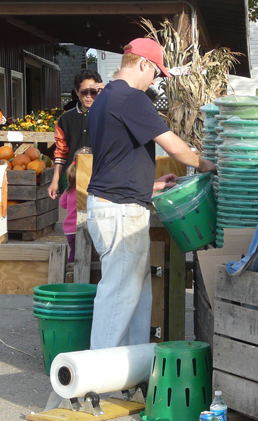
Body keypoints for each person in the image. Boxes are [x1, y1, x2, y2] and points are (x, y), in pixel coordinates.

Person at [86, 37, 216, 350]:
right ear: (143, 64)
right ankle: (95, 382)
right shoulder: (131, 98)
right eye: (156, 73)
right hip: (120, 212)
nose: (155, 81)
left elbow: (113, 159)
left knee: (135, 294)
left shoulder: (103, 99)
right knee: (119, 296)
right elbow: (175, 147)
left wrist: (150, 185)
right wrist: (210, 164)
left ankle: (128, 375)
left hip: (109, 204)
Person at [48, 69, 105, 200]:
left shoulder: (107, 115)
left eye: (94, 92)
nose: (89, 96)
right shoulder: (65, 120)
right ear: (77, 92)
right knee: (73, 218)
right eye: (85, 92)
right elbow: (61, 152)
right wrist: (54, 181)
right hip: (73, 179)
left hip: (100, 178)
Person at [59, 156, 79, 264]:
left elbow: (62, 204)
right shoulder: (87, 189)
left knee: (73, 251)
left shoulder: (69, 189)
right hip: (79, 228)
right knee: (78, 254)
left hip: (69, 229)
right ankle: (71, 272)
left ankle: (70, 265)